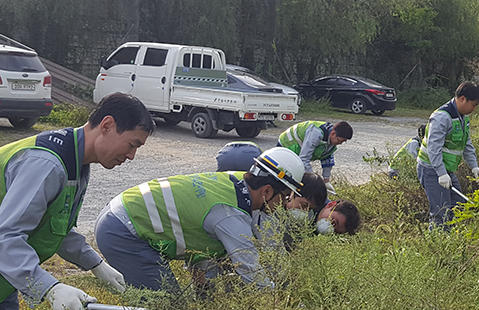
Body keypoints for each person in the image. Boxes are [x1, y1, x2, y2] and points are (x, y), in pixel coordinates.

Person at [93, 147, 326, 292]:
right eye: (284, 196)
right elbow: (250, 270)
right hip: (122, 231)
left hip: (120, 214)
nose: (283, 205)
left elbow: (197, 229)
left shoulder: (237, 182)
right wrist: (280, 297)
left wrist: (200, 280)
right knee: (167, 301)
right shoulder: (231, 215)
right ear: (267, 191)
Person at [0, 92, 154, 310]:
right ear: (107, 125)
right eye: (132, 144)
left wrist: (95, 263)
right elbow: (4, 237)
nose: (132, 156)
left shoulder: (75, 162)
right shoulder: (48, 164)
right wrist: (50, 288)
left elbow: (55, 227)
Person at [417, 81, 479, 228]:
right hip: (431, 170)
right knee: (441, 212)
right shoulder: (442, 117)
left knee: (458, 205)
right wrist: (441, 173)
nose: (474, 109)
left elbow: (467, 144)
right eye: (473, 105)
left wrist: (474, 166)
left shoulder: (463, 118)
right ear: (462, 99)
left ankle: (449, 240)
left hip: (446, 170)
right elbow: (433, 149)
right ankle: (436, 244)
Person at [277, 121, 353, 182]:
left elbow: (327, 157)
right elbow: (304, 159)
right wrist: (314, 179)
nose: (340, 143)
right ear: (333, 134)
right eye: (340, 141)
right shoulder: (316, 134)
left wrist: (326, 180)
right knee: (287, 179)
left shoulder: (331, 140)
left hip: (299, 149)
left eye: (343, 142)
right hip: (286, 145)